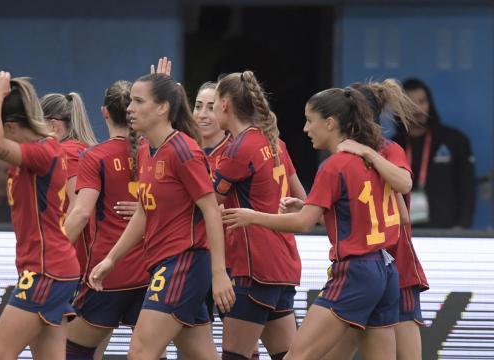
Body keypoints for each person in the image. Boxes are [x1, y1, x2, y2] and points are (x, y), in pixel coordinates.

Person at [223, 86, 401, 359]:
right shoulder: (370, 159)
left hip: (355, 272)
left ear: (329, 123)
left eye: (309, 120)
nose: (305, 128)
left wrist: (251, 217)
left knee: (297, 356)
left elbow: (305, 223)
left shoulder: (334, 166)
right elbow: (356, 213)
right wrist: (312, 208)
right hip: (385, 268)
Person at [89, 73, 235, 359]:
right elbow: (144, 210)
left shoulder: (184, 151)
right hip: (165, 263)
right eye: (130, 101)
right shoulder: (145, 150)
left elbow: (211, 211)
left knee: (141, 350)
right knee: (200, 354)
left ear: (162, 108)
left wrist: (219, 274)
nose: (130, 107)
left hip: (184, 263)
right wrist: (111, 258)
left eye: (138, 101)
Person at [0, 72, 80, 359]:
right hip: (50, 269)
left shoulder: (41, 151)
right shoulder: (35, 151)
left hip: (47, 270)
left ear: (10, 125)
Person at [322, 80, 429, 360]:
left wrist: (369, 153)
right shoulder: (342, 157)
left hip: (397, 265)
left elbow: (404, 192)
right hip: (362, 270)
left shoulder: (386, 149)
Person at [211, 71, 306, 360]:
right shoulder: (274, 141)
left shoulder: (238, 149)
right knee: (286, 356)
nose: (211, 110)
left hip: (252, 269)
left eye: (213, 102)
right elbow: (304, 200)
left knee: (235, 356)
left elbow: (206, 206)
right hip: (282, 265)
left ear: (225, 104)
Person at [60, 80, 150, 360]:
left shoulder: (95, 156)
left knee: (71, 351)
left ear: (104, 113)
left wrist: (51, 254)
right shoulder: (152, 150)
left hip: (108, 273)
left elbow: (81, 212)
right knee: (148, 350)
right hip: (149, 271)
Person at [396, 78, 475, 228]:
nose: (418, 109)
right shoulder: (392, 145)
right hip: (404, 234)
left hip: (447, 234)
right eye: (411, 104)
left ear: (430, 103)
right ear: (400, 108)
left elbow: (467, 189)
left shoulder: (454, 140)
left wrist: (461, 227)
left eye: (422, 101)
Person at [40, 91, 97, 275]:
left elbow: (77, 207)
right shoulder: (82, 149)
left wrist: (54, 255)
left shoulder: (67, 152)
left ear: (53, 126)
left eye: (36, 125)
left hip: (72, 262)